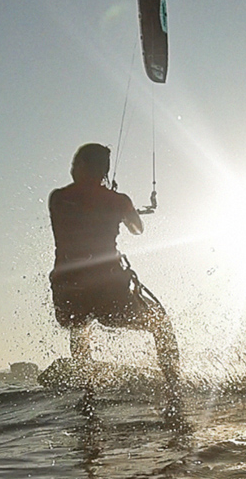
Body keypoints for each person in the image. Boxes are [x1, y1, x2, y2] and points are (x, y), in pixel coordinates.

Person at [48, 143, 180, 396]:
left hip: (68, 291)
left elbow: (84, 211)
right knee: (161, 324)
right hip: (107, 291)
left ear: (85, 166)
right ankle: (175, 389)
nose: (72, 168)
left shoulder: (58, 198)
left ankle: (88, 394)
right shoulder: (117, 201)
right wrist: (123, 208)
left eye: (76, 163)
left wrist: (112, 204)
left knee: (79, 327)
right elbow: (137, 228)